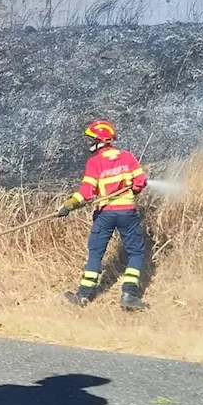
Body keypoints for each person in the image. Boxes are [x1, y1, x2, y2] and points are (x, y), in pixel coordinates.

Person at [56, 120, 148, 310]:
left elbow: (86, 193)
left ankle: (83, 294)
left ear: (101, 141)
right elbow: (140, 182)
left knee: (96, 253)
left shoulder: (94, 162)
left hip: (105, 213)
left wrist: (68, 205)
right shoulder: (127, 156)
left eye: (91, 140)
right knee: (136, 252)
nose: (89, 143)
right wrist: (132, 187)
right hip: (126, 213)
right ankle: (129, 294)